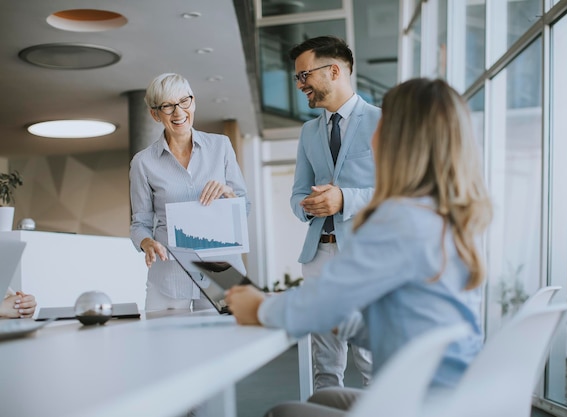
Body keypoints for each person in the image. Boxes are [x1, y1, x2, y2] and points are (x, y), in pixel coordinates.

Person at [225, 77, 493, 416]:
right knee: (324, 399)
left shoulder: (401, 219)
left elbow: (322, 303)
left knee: (283, 413)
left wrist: (259, 309)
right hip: (451, 398)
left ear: (400, 140)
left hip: (416, 404)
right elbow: (408, 327)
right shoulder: (446, 218)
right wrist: (341, 321)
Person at [288, 35, 380, 391]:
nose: (300, 86)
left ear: (334, 71)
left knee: (372, 361)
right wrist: (306, 206)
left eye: (304, 76)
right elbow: (298, 192)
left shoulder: (382, 122)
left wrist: (344, 199)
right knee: (325, 363)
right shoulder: (308, 132)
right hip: (318, 256)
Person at [130, 73, 250, 313]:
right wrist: (146, 242)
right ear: (155, 113)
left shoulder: (221, 146)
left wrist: (227, 193)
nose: (178, 112)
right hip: (169, 276)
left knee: (228, 345)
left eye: (184, 101)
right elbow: (139, 223)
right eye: (167, 106)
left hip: (222, 272)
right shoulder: (143, 163)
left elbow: (244, 207)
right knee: (167, 349)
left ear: (193, 102)